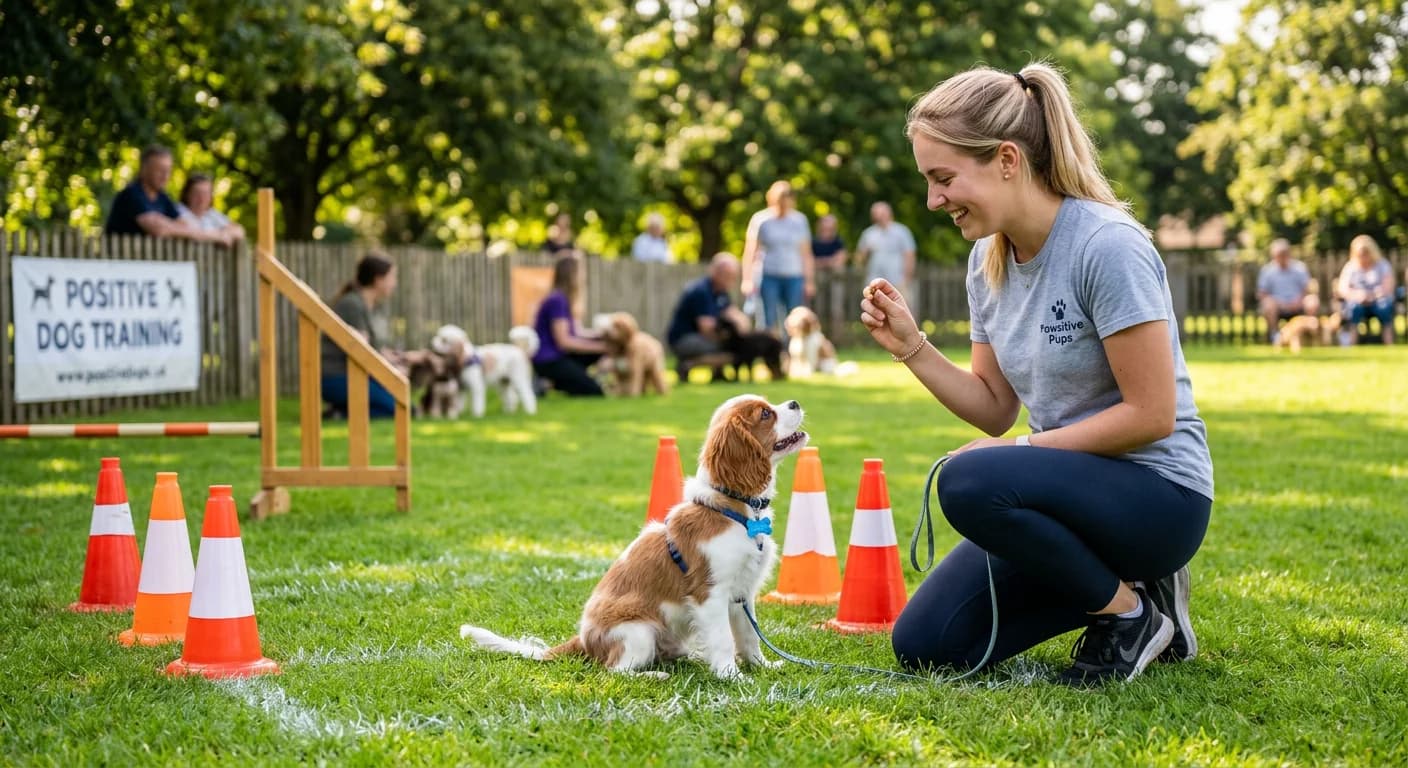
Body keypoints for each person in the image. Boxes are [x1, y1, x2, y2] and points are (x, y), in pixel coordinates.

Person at [860, 63, 1213, 687]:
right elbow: (995, 406)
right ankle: (1145, 604)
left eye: (944, 178)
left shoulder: (1107, 245)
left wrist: (1021, 451)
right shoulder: (985, 260)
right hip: (1062, 502)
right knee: (928, 645)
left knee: (969, 480)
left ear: (1005, 159)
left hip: (1159, 499)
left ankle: (1129, 614)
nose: (933, 199)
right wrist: (912, 347)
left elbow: (1151, 414)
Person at [321, 253, 401, 418]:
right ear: (378, 279)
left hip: (354, 375)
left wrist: (403, 359)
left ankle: (341, 411)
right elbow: (362, 351)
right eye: (392, 277)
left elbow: (374, 349)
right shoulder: (352, 304)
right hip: (337, 378)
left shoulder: (370, 305)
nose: (395, 283)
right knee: (396, 408)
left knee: (403, 404)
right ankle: (340, 413)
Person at [105, 145, 232, 244]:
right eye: (160, 170)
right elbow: (158, 229)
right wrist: (168, 227)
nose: (165, 176)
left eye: (168, 170)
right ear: (144, 169)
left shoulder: (163, 198)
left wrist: (167, 225)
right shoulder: (132, 194)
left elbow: (186, 226)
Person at [741, 181, 814, 335]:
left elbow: (806, 254)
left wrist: (809, 281)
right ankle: (770, 355)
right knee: (767, 318)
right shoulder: (761, 220)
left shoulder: (800, 221)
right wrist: (747, 279)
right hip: (768, 275)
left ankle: (790, 354)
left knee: (793, 317)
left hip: (794, 276)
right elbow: (750, 252)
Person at [666, 252, 752, 382]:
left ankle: (717, 373)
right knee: (730, 348)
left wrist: (738, 327)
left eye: (733, 277)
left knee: (735, 344)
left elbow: (739, 318)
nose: (731, 281)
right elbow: (706, 328)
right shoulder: (701, 291)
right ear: (716, 272)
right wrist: (731, 334)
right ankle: (688, 365)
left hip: (700, 338)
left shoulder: (721, 293)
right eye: (728, 276)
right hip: (683, 339)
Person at [531, 255, 607, 396]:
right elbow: (564, 341)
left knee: (603, 343)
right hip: (549, 360)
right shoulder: (557, 300)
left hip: (561, 355)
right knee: (595, 392)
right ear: (571, 274)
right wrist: (602, 346)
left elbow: (577, 333)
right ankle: (547, 381)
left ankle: (564, 380)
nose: (583, 276)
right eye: (580, 271)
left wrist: (602, 336)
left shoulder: (565, 299)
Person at [1335, 234, 1397, 345]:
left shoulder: (1382, 265)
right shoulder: (1351, 267)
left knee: (1384, 308)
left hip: (1379, 299)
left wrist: (1372, 296)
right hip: (1357, 301)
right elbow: (1343, 288)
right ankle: (1351, 345)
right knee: (1353, 309)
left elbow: (1388, 287)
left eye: (1366, 254)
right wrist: (1358, 295)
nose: (1363, 257)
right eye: (1360, 255)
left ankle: (1389, 343)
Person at [1256, 238, 1319, 344]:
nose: (1282, 257)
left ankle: (1310, 334)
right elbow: (1261, 293)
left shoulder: (1299, 268)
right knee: (1268, 304)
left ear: (1289, 254)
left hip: (1298, 303)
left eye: (1284, 254)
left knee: (1312, 301)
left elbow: (1307, 288)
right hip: (1278, 305)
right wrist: (1280, 304)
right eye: (1279, 255)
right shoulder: (1267, 271)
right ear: (1274, 255)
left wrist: (1298, 301)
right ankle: (1275, 336)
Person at [855, 201, 918, 294]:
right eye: (876, 214)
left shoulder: (902, 231)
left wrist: (907, 279)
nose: (879, 216)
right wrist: (863, 256)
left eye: (882, 213)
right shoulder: (868, 234)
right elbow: (859, 258)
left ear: (889, 213)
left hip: (898, 282)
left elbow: (910, 255)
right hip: (874, 283)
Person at [177, 173, 246, 245]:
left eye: (206, 193)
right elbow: (191, 232)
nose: (201, 198)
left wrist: (225, 233)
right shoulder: (178, 212)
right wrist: (218, 236)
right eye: (197, 193)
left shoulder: (212, 214)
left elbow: (239, 230)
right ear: (187, 194)